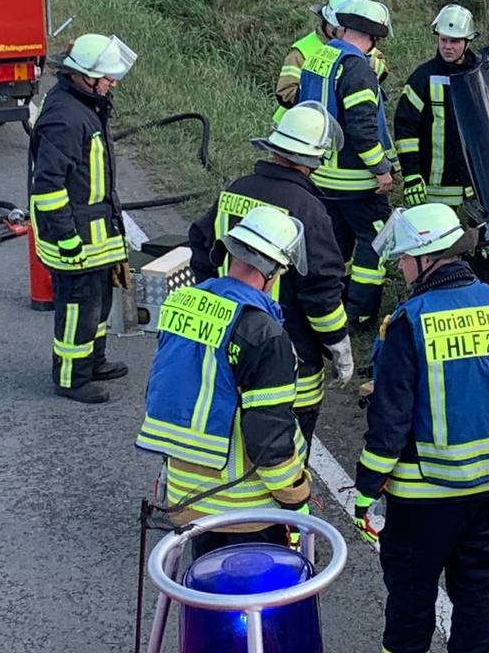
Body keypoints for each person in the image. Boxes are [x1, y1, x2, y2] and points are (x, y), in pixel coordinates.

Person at [353, 203, 489, 653]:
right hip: (488, 495)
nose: (400, 267)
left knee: (410, 608)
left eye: (404, 258)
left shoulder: (408, 321)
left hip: (421, 498)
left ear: (425, 258)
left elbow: (389, 421)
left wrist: (365, 491)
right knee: (477, 601)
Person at [137, 203, 316, 558]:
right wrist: (296, 497)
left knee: (202, 595)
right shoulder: (263, 333)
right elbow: (268, 438)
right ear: (274, 270)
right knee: (259, 606)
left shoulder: (181, 303)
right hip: (247, 509)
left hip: (185, 496)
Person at [186, 104, 351, 443]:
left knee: (229, 433)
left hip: (222, 338)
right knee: (282, 449)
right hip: (288, 352)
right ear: (313, 159)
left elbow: (202, 248)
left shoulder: (235, 189)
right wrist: (339, 344)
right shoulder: (308, 209)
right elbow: (320, 292)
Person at [30, 34, 138, 404]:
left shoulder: (85, 103)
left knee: (99, 300)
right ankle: (71, 377)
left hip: (96, 230)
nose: (113, 82)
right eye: (107, 76)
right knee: (78, 307)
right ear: (85, 76)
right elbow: (47, 187)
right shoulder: (65, 117)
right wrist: (66, 238)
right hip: (75, 236)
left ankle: (94, 360)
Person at [301, 0, 398, 329]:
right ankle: (360, 314)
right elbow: (362, 129)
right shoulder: (358, 68)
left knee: (334, 244)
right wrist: (381, 170)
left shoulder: (319, 57)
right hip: (355, 181)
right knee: (376, 242)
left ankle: (330, 303)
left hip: (319, 174)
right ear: (372, 37)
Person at [392, 4, 482, 210]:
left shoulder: (480, 75)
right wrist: (412, 175)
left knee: (481, 240)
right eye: (443, 39)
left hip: (477, 184)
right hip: (434, 187)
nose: (447, 46)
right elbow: (405, 130)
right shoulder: (422, 78)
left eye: (455, 41)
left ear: (468, 41)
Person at [277, 0, 386, 109]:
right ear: (330, 25)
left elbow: (380, 70)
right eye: (345, 28)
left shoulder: (361, 44)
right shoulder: (302, 50)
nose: (349, 33)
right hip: (302, 123)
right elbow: (285, 94)